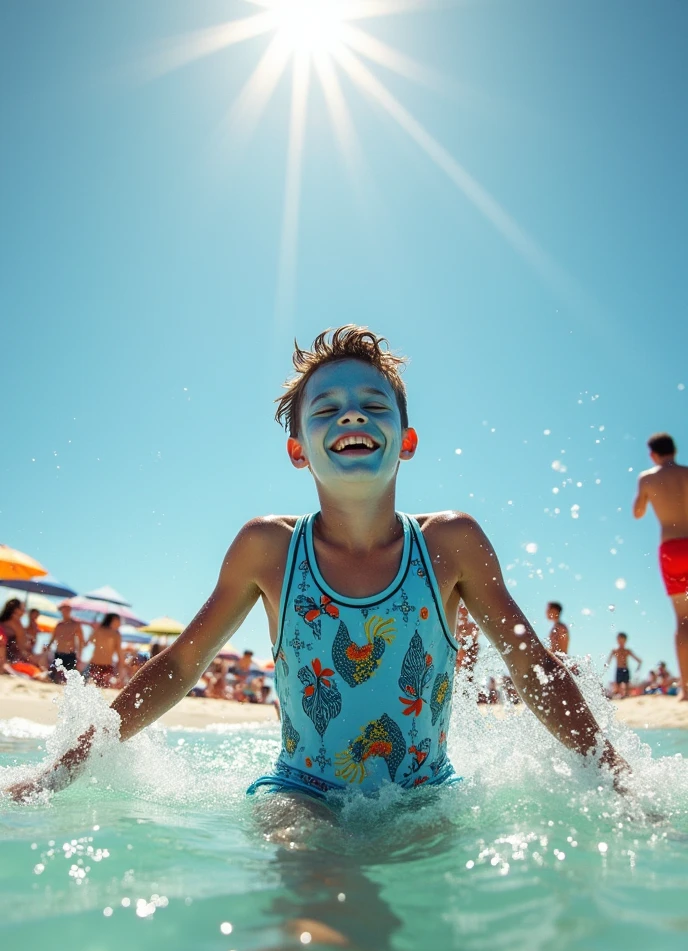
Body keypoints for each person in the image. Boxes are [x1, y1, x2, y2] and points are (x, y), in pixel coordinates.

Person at [6, 325, 629, 803]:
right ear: (297, 450)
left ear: (407, 442)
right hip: (301, 797)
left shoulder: (451, 544)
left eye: (373, 405)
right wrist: (60, 769)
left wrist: (618, 778)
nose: (351, 415)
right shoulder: (269, 549)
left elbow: (532, 667)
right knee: (312, 929)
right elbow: (179, 666)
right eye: (326, 409)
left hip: (425, 795)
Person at [633, 432, 688, 700]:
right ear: (675, 450)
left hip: (670, 549)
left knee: (682, 619)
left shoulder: (647, 478)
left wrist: (648, 495)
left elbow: (638, 512)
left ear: (652, 454)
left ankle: (686, 689)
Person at [48, 604, 85, 683]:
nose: (65, 612)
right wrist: (47, 647)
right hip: (59, 653)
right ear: (61, 611)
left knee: (69, 678)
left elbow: (81, 641)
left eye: (68, 610)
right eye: (64, 610)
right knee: (54, 678)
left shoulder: (75, 624)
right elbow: (53, 638)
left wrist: (80, 655)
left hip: (70, 654)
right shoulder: (59, 625)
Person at [85, 613, 123, 688]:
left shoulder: (100, 630)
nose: (119, 624)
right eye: (118, 621)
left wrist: (94, 628)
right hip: (102, 665)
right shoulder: (115, 634)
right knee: (102, 688)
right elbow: (119, 655)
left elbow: (88, 642)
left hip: (98, 664)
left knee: (94, 687)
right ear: (111, 621)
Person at [606, 633, 642, 699]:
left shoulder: (627, 651)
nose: (620, 641)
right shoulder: (615, 650)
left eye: (621, 640)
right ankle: (619, 696)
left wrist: (639, 666)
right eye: (619, 639)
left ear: (625, 640)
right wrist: (606, 665)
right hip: (618, 669)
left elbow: (637, 659)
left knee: (627, 685)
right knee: (618, 686)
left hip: (625, 669)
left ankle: (626, 696)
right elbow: (609, 660)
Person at [0, 599, 27, 664]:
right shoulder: (15, 624)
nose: (24, 612)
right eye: (22, 609)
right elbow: (22, 646)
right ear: (15, 610)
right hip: (8, 660)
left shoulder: (3, 621)